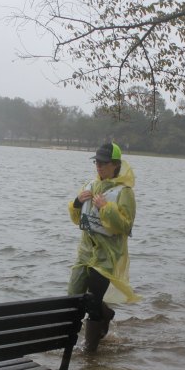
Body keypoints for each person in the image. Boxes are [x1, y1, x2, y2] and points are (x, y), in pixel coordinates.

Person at [68, 142, 139, 351]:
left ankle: (91, 349)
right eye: (97, 162)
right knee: (73, 296)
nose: (99, 166)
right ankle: (73, 341)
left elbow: (126, 226)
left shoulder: (124, 192)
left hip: (107, 254)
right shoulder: (90, 185)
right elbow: (75, 217)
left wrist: (106, 208)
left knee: (93, 299)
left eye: (104, 163)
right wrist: (77, 202)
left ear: (115, 165)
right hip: (85, 251)